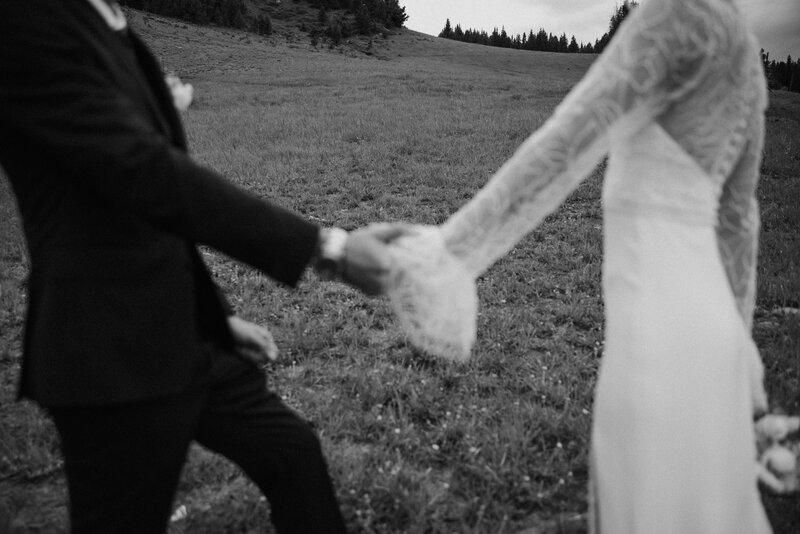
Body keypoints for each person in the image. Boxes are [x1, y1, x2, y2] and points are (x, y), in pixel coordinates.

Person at [0, 0, 397, 532]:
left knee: (291, 452)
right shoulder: (27, 19)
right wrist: (329, 248)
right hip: (109, 353)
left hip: (186, 335)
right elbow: (142, 172)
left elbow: (150, 212)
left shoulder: (111, 23)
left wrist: (214, 318)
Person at [384, 0, 775, 531]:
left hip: (659, 336)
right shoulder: (742, 46)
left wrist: (447, 250)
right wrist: (741, 346)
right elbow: (738, 224)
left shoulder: (680, 14)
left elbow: (564, 143)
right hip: (713, 336)